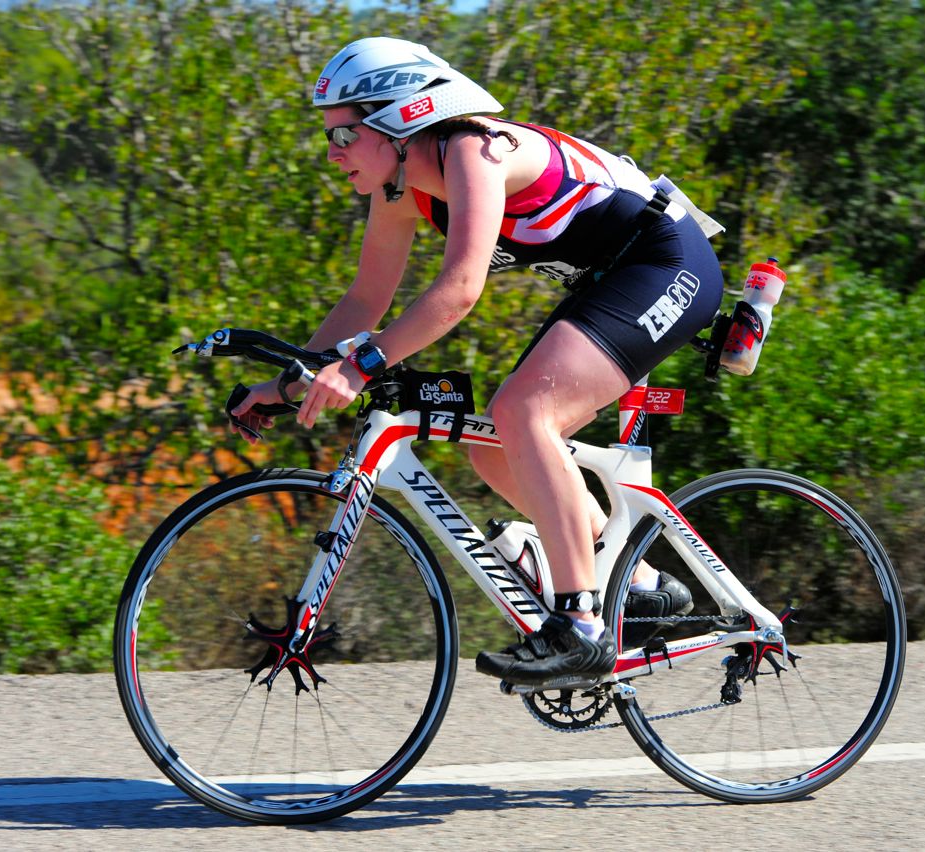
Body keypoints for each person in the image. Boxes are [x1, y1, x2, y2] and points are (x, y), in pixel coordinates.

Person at [231, 37, 721, 686]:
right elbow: (365, 299)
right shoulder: (400, 188)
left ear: (398, 119)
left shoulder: (473, 149)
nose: (332, 153)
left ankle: (580, 625)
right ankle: (641, 581)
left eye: (344, 136)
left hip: (668, 261)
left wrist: (360, 367)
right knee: (494, 446)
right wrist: (291, 380)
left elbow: (460, 289)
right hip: (608, 279)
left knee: (524, 413)